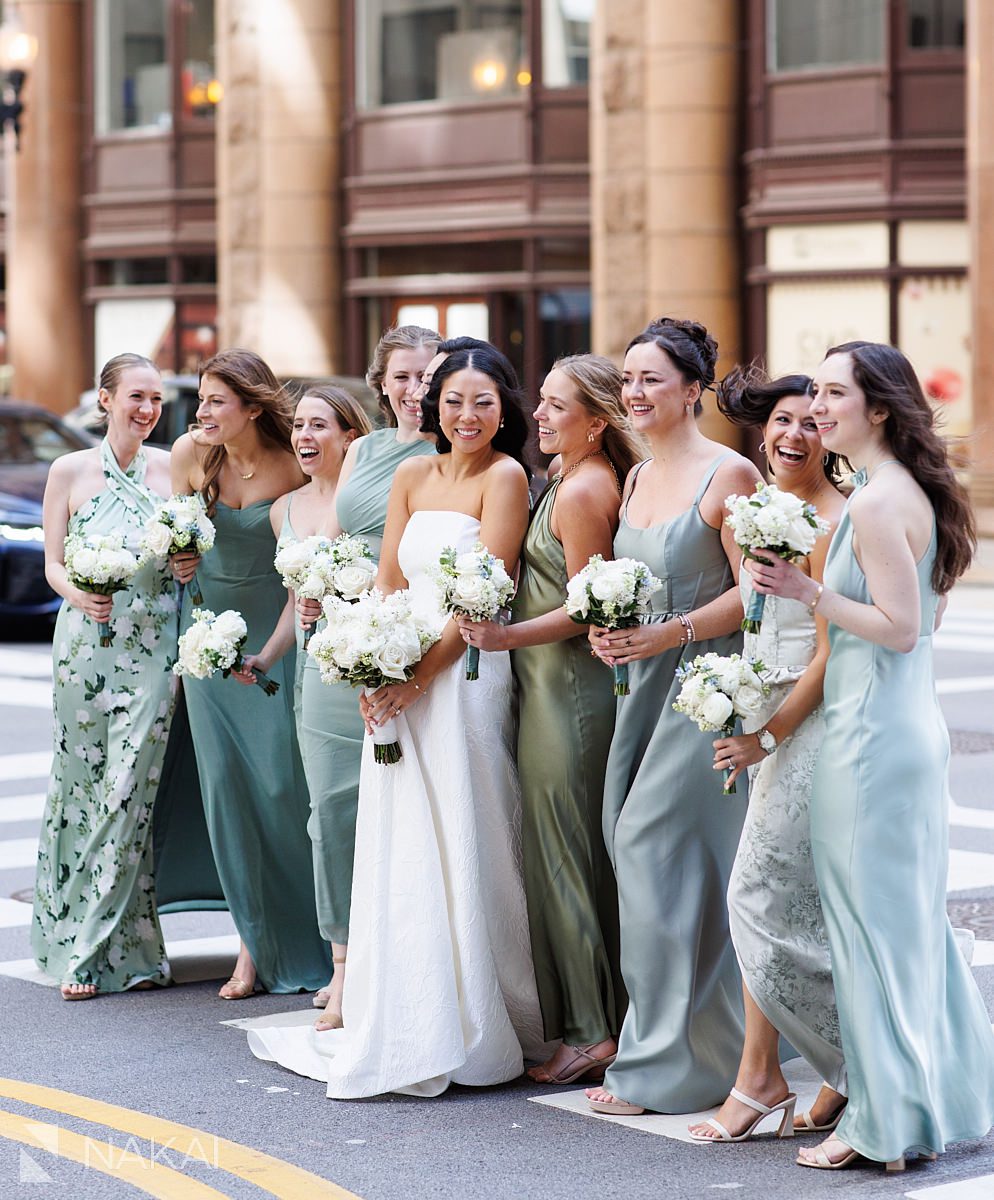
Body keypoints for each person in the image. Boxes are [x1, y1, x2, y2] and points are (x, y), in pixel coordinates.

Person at [246, 345, 547, 1096]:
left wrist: (416, 680)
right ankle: (406, 1003)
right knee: (400, 832)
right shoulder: (411, 474)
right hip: (398, 664)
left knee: (467, 819)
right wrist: (368, 663)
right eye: (453, 401)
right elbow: (386, 581)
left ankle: (482, 1012)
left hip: (464, 674)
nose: (467, 416)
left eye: (482, 402)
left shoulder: (506, 478)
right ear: (431, 407)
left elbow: (488, 597)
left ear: (503, 409)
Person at [749, 341, 994, 1172]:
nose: (817, 408)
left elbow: (903, 627)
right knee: (904, 930)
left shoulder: (875, 505)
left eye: (832, 394)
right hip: (897, 731)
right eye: (813, 392)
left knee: (867, 934)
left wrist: (809, 593)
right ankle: (928, 1102)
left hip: (869, 741)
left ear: (878, 408)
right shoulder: (901, 491)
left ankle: (882, 1125)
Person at [584, 317, 762, 1116]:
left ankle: (661, 1063)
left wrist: (675, 630)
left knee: (648, 847)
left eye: (652, 379)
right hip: (640, 690)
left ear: (694, 390)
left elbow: (753, 596)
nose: (635, 393)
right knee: (647, 861)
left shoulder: (729, 477)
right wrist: (608, 624)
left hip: (704, 691)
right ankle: (706, 1045)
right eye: (628, 380)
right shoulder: (633, 479)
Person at [457, 354, 641, 1084]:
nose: (537, 413)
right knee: (556, 851)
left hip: (569, 693)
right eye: (540, 401)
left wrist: (502, 635)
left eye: (556, 405)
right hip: (542, 692)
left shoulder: (583, 489)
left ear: (597, 421)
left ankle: (596, 1030)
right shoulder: (566, 477)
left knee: (569, 857)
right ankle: (587, 1018)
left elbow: (583, 607)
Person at [686, 365, 847, 1143]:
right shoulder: (754, 513)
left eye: (810, 423)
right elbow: (749, 619)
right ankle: (791, 1072)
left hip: (806, 726)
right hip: (756, 717)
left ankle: (786, 1073)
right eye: (781, 421)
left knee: (758, 899)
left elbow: (828, 656)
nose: (791, 435)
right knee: (786, 907)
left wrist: (767, 734)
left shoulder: (837, 520)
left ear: (834, 434)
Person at [289, 325, 440, 1030]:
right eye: (404, 377)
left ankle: (406, 962)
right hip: (342, 643)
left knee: (417, 813)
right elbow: (339, 537)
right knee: (332, 811)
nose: (418, 390)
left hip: (423, 647)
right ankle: (344, 966)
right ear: (381, 385)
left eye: (429, 375)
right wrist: (313, 583)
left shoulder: (463, 449)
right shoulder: (367, 451)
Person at [170, 348, 331, 998]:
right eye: (202, 399)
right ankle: (251, 949)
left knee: (283, 792)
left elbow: (316, 545)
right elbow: (176, 537)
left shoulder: (294, 462)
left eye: (215, 401)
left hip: (276, 640)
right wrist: (179, 556)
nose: (202, 411)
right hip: (208, 643)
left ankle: (322, 940)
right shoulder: (190, 456)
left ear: (253, 407)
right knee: (229, 797)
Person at [34, 353, 176, 1000]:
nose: (147, 410)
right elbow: (52, 565)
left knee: (128, 790)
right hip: (84, 648)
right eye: (136, 398)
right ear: (105, 399)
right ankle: (73, 935)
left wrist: (189, 560)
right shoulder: (69, 469)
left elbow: (192, 547)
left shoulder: (174, 467)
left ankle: (97, 947)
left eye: (154, 400)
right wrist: (78, 595)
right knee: (82, 785)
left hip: (152, 647)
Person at [233, 386, 372, 1021]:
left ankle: (366, 963)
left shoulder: (365, 500)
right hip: (309, 676)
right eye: (300, 426)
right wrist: (264, 655)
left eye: (321, 425)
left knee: (367, 817)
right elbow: (297, 600)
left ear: (350, 435)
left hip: (365, 667)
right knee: (326, 819)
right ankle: (342, 961)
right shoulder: (281, 509)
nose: (306, 436)